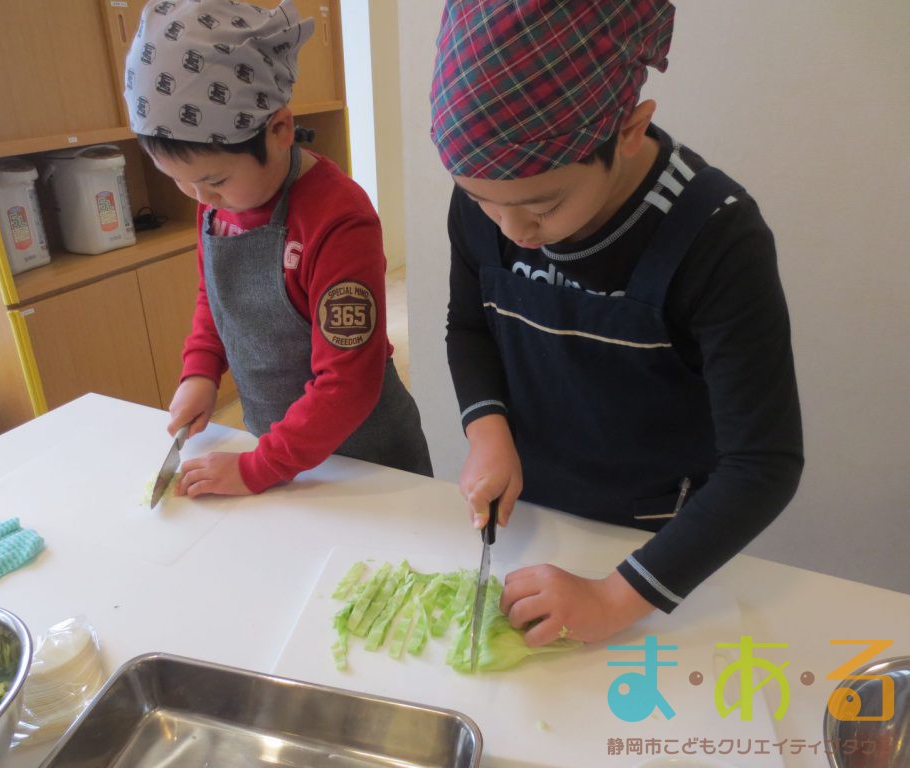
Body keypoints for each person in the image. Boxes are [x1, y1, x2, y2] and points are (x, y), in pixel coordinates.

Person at [430, 0, 802, 644]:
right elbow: (468, 328)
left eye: (542, 207)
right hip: (538, 516)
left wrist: (612, 597)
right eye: (480, 201)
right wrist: (488, 432)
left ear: (629, 130)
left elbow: (763, 464)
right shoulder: (494, 194)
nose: (513, 233)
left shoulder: (717, 237)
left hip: (654, 544)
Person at [124, 0, 432, 497]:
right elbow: (215, 303)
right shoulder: (215, 205)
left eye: (215, 180)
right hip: (277, 450)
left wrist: (254, 468)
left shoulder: (338, 219)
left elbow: (347, 384)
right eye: (180, 182)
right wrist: (200, 372)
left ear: (280, 129)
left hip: (366, 463)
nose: (202, 200)